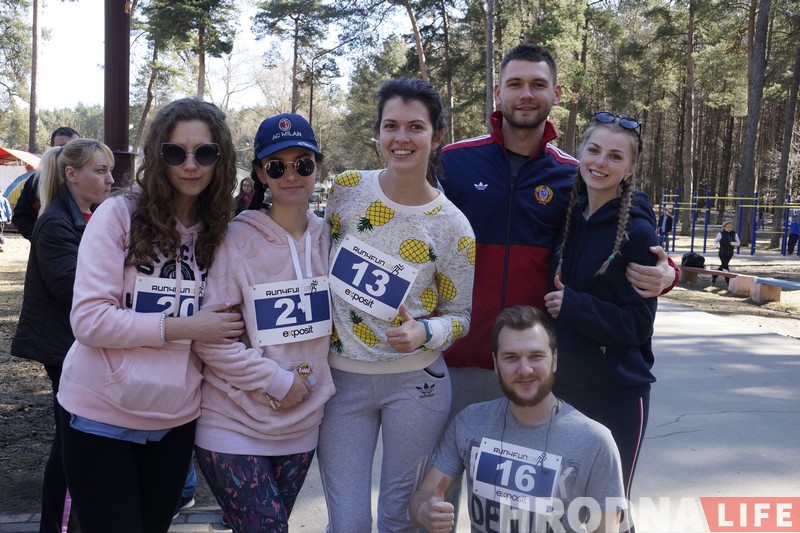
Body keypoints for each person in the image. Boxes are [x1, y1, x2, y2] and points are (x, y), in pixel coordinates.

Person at [436, 42, 677, 523]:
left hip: (533, 369)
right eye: (515, 83)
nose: (526, 94)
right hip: (457, 360)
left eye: (538, 84)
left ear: (556, 93)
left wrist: (667, 272)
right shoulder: (453, 161)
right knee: (438, 495)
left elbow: (629, 213)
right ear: (498, 91)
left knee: (523, 510)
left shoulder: (573, 173)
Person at [56, 98, 244, 533]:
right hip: (100, 416)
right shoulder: (118, 215)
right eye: (176, 152)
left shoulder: (221, 229)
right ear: (158, 156)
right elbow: (89, 320)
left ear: (221, 159)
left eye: (204, 153)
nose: (190, 165)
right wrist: (185, 328)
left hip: (175, 421)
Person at [317, 78, 475, 532]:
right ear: (379, 132)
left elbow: (461, 316)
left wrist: (425, 332)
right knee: (347, 524)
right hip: (341, 383)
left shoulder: (454, 227)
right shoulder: (346, 190)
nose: (401, 138)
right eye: (391, 126)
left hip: (415, 385)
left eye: (415, 127)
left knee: (399, 518)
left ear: (436, 136)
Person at [192, 113, 335, 532]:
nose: (291, 175)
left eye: (302, 164)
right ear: (259, 173)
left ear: (317, 167)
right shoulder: (235, 240)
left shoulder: (331, 239)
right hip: (231, 423)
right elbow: (210, 339)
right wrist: (276, 381)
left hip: (302, 426)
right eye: (276, 166)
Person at [409, 305, 626, 533]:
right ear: (495, 363)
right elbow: (423, 496)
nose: (525, 370)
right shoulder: (469, 422)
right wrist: (425, 511)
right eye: (511, 357)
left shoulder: (595, 442)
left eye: (536, 356)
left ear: (554, 359)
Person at [544, 112, 658, 506]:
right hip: (562, 389)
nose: (600, 163)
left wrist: (575, 306)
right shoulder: (570, 217)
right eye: (593, 150)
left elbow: (638, 325)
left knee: (608, 511)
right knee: (560, 507)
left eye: (615, 156)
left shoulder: (638, 232)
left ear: (630, 169)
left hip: (617, 394)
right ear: (580, 153)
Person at [9, 139, 114, 533]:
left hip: (81, 344)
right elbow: (75, 289)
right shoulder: (55, 222)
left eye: (109, 170)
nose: (110, 179)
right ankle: (58, 526)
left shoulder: (92, 215)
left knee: (79, 442)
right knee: (71, 444)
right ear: (72, 175)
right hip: (64, 349)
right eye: (100, 171)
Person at [12, 127, 80, 240]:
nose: (69, 152)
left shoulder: (89, 178)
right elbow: (21, 216)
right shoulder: (36, 181)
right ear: (53, 150)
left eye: (74, 146)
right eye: (62, 147)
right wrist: (38, 237)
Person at [712, 221, 740, 286]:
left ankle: (714, 275)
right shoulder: (720, 234)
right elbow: (715, 241)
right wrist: (716, 246)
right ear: (724, 227)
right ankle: (728, 282)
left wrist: (734, 243)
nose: (729, 228)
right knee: (725, 267)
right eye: (727, 227)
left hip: (730, 253)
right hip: (722, 253)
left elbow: (738, 243)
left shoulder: (734, 234)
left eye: (730, 227)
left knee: (723, 266)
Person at [0, 186, 11, 251]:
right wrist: (9, 219)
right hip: (1, 219)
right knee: (0, 232)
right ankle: (1, 245)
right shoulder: (4, 199)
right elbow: (8, 209)